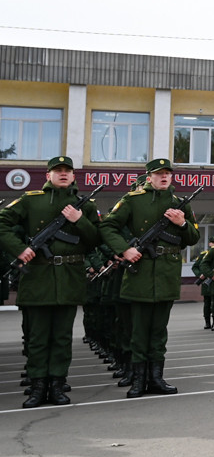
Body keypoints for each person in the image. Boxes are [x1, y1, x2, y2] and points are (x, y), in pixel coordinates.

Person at [0, 156, 102, 407]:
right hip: (38, 277)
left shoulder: (84, 205)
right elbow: (2, 222)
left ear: (73, 175)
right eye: (58, 171)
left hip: (69, 278)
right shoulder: (30, 200)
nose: (63, 174)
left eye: (67, 170)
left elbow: (96, 240)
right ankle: (37, 387)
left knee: (61, 337)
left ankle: (57, 385)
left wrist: (80, 221)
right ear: (48, 175)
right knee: (37, 337)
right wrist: (20, 249)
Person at [99, 158, 200, 397]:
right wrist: (125, 249)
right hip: (141, 272)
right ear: (149, 176)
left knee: (158, 331)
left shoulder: (179, 204)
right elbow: (108, 227)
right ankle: (138, 379)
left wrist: (182, 223)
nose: (164, 177)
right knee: (139, 331)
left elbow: (193, 238)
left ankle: (156, 378)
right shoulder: (132, 200)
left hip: (167, 272)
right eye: (158, 174)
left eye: (167, 173)